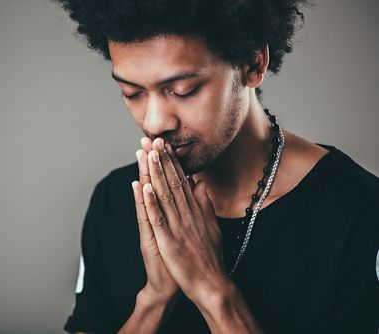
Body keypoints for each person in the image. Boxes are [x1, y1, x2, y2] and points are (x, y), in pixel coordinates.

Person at [55, 0, 379, 333]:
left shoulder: (360, 213)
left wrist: (214, 292)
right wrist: (154, 298)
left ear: (253, 63)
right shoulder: (113, 200)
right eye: (132, 92)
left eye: (184, 90)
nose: (154, 122)